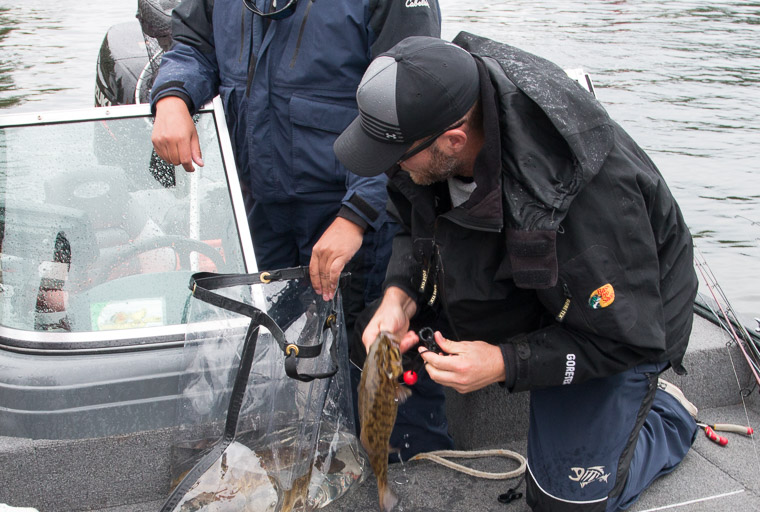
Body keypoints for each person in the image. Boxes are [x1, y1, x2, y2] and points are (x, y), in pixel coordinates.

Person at [334, 34, 700, 511]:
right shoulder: (437, 116)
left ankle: (664, 413)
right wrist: (399, 295)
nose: (392, 167)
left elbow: (627, 336)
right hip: (526, 273)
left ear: (454, 140)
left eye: (399, 155)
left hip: (620, 318)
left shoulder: (584, 203)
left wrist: (504, 362)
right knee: (369, 343)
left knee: (564, 504)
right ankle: (421, 453)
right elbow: (411, 220)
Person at [148, 0, 441, 334]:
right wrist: (173, 95)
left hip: (356, 217)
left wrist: (357, 215)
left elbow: (409, 99)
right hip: (258, 210)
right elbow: (193, 45)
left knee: (370, 344)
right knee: (261, 340)